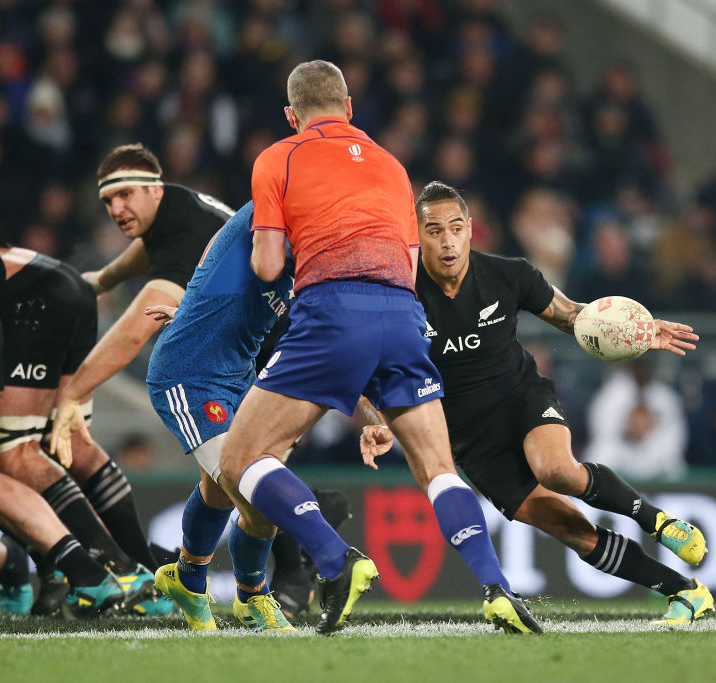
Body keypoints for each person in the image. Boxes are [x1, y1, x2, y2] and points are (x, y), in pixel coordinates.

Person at [217, 60, 540, 635]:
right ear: (348, 107)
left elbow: (268, 266)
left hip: (331, 312)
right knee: (439, 469)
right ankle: (498, 590)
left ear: (292, 116)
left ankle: (337, 559)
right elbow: (407, 264)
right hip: (403, 316)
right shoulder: (393, 166)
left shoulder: (278, 157)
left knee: (239, 460)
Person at [361, 181, 714, 626]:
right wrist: (377, 420)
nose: (447, 240)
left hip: (520, 398)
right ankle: (687, 592)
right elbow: (368, 365)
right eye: (433, 231)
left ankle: (658, 522)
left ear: (471, 229)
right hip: (470, 441)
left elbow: (570, 316)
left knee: (557, 469)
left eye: (455, 227)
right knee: (574, 533)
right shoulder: (399, 297)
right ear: (416, 237)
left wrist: (637, 331)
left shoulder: (508, 274)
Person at [0, 219, 166, 615]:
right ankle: (128, 570)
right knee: (68, 445)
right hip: (57, 288)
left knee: (12, 453)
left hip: (24, 299)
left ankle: (118, 570)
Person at [50, 144, 233, 572]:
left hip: (275, 352)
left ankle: (314, 556)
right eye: (108, 201)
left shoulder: (184, 230)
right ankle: (187, 574)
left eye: (125, 194)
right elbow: (149, 250)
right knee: (225, 481)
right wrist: (104, 279)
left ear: (155, 189)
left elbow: (135, 332)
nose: (115, 208)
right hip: (264, 346)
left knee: (240, 475)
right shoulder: (177, 213)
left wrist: (72, 394)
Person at [131, 201, 296, 632]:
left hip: (241, 372)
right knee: (257, 492)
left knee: (220, 490)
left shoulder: (312, 236)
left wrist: (194, 308)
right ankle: (253, 594)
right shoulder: (276, 201)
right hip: (191, 372)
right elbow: (222, 257)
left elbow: (221, 272)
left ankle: (187, 578)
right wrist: (193, 314)